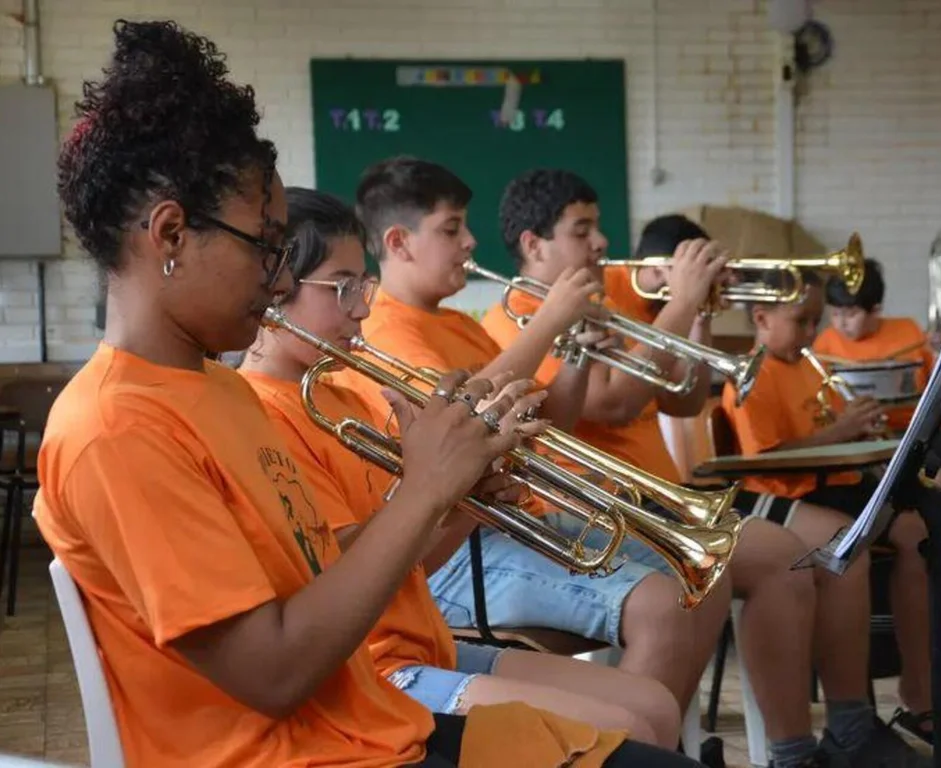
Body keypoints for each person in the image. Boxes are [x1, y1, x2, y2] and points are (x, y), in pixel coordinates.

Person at [31, 19, 701, 768]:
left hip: (366, 729)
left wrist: (453, 494)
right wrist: (422, 493)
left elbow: (313, 566)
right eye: (266, 244)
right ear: (171, 235)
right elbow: (273, 671)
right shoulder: (116, 427)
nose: (280, 279)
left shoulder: (216, 390)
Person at [485, 184, 930, 768]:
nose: (601, 242)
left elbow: (683, 400)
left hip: (663, 495)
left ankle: (822, 735)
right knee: (784, 561)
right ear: (533, 245)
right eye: (582, 229)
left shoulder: (604, 300)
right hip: (601, 503)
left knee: (806, 554)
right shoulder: (515, 320)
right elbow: (614, 404)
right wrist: (682, 302)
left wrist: (699, 318)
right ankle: (785, 750)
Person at [237, 186, 684, 748]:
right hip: (368, 670)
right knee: (628, 730)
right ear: (277, 291)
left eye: (364, 286)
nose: (362, 308)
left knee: (655, 707)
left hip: (421, 641)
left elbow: (412, 564)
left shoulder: (343, 397)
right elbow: (341, 576)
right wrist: (436, 491)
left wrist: (470, 501)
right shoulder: (264, 414)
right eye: (342, 288)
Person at [341, 155, 732, 754]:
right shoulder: (389, 330)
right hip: (453, 549)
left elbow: (554, 420)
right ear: (399, 242)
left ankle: (657, 746)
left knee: (694, 578)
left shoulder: (462, 326)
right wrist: (549, 322)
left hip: (508, 521)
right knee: (657, 604)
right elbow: (460, 420)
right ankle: (636, 753)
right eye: (451, 229)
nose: (470, 242)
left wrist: (574, 351)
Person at [723, 266, 941, 745]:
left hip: (837, 480)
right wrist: (840, 433)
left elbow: (827, 431)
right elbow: (763, 457)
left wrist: (861, 427)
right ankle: (918, 690)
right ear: (761, 318)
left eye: (814, 322)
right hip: (792, 495)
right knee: (915, 533)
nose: (810, 334)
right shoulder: (753, 375)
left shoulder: (803, 365)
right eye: (802, 321)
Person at [815, 258, 941, 630]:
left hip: (921, 429)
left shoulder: (907, 332)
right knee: (936, 478)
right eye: (836, 314)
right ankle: (938, 587)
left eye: (850, 314)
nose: (841, 323)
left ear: (876, 309)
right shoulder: (825, 345)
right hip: (877, 440)